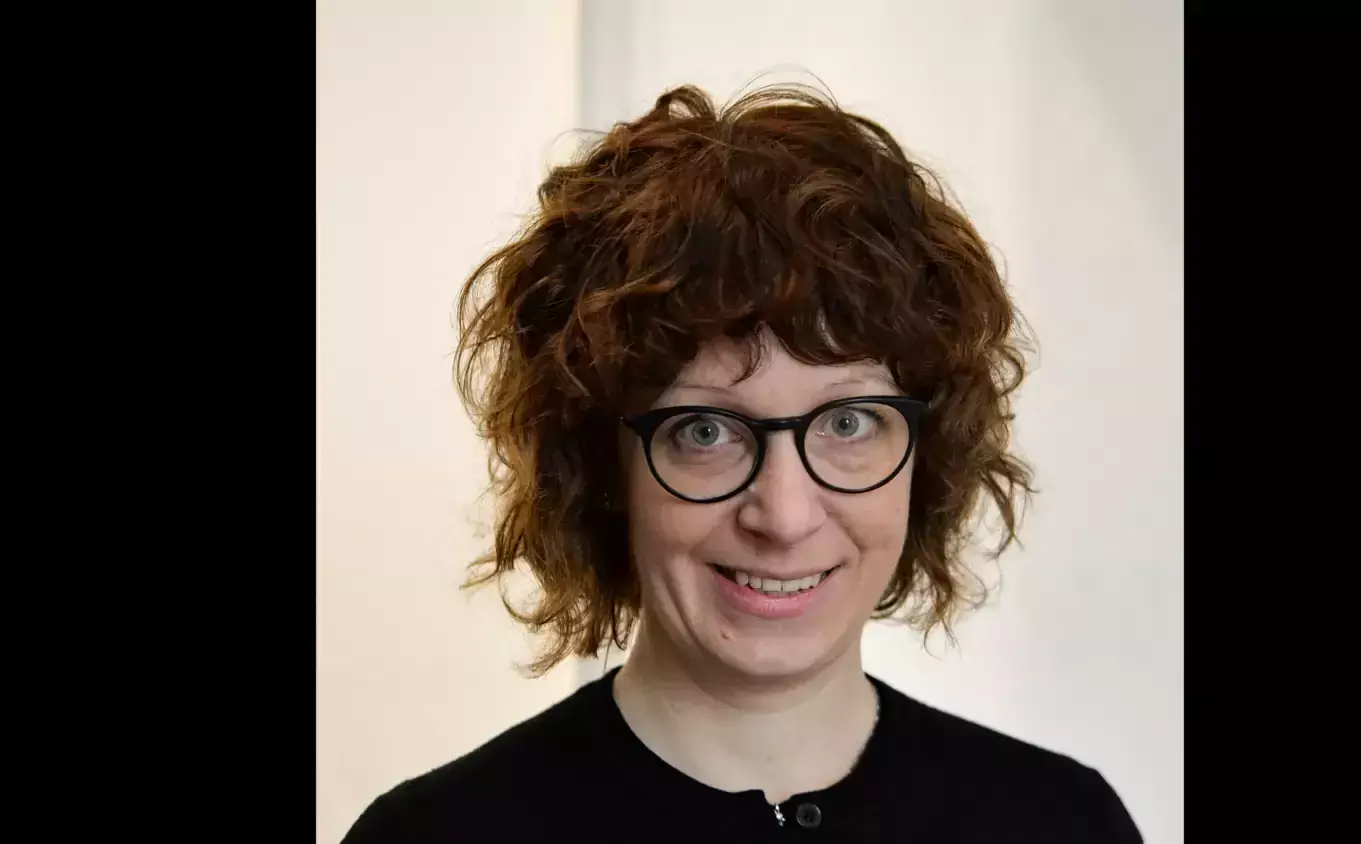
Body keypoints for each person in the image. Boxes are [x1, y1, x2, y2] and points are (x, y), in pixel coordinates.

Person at [341, 84, 1141, 843]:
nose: (785, 516)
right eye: (705, 431)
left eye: (850, 420)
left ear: (924, 456)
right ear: (601, 464)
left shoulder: (1060, 822)